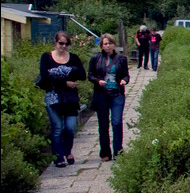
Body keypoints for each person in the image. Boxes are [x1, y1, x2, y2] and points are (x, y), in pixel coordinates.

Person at [39, 30, 86, 167]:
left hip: (70, 98)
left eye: (66, 44)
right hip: (53, 96)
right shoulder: (46, 57)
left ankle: (67, 150)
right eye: (61, 43)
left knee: (70, 127)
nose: (64, 46)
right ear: (55, 42)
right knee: (57, 128)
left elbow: (82, 75)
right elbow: (45, 77)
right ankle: (58, 157)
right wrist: (65, 81)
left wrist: (59, 74)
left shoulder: (73, 57)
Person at [88, 33, 131, 162]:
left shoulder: (121, 59)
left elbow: (126, 75)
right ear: (101, 45)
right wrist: (97, 81)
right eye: (105, 44)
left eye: (110, 43)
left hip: (117, 94)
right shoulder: (96, 58)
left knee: (116, 122)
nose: (108, 46)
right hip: (101, 94)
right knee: (103, 123)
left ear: (114, 44)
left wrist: (124, 81)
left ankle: (118, 150)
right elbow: (90, 75)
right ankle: (105, 152)